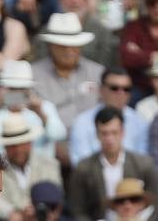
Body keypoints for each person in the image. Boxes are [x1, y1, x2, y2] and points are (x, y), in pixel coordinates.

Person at [66, 106, 158, 221]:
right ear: (97, 134)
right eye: (104, 133)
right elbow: (77, 209)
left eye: (114, 132)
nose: (109, 139)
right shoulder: (84, 168)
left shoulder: (143, 164)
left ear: (122, 133)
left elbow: (157, 204)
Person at [30, 13, 105, 157]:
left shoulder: (98, 72)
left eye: (74, 45)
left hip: (93, 142)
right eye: (63, 45)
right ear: (50, 46)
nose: (69, 50)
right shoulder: (32, 74)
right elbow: (10, 100)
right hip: (49, 143)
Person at [0, 60, 66, 159]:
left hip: (39, 169)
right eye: (12, 89)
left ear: (29, 89)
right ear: (3, 89)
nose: (17, 93)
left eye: (22, 89)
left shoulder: (45, 107)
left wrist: (40, 112)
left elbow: (59, 136)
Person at [67, 67, 150, 165]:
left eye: (126, 89)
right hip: (93, 177)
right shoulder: (82, 122)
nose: (121, 93)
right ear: (101, 90)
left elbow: (142, 161)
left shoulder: (140, 122)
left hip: (131, 178)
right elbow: (80, 163)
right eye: (114, 88)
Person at [0, 112, 59, 221]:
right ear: (5, 147)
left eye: (21, 144)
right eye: (12, 146)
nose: (18, 149)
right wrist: (10, 213)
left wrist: (37, 211)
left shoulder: (49, 164)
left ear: (30, 143)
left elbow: (55, 194)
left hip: (45, 220)